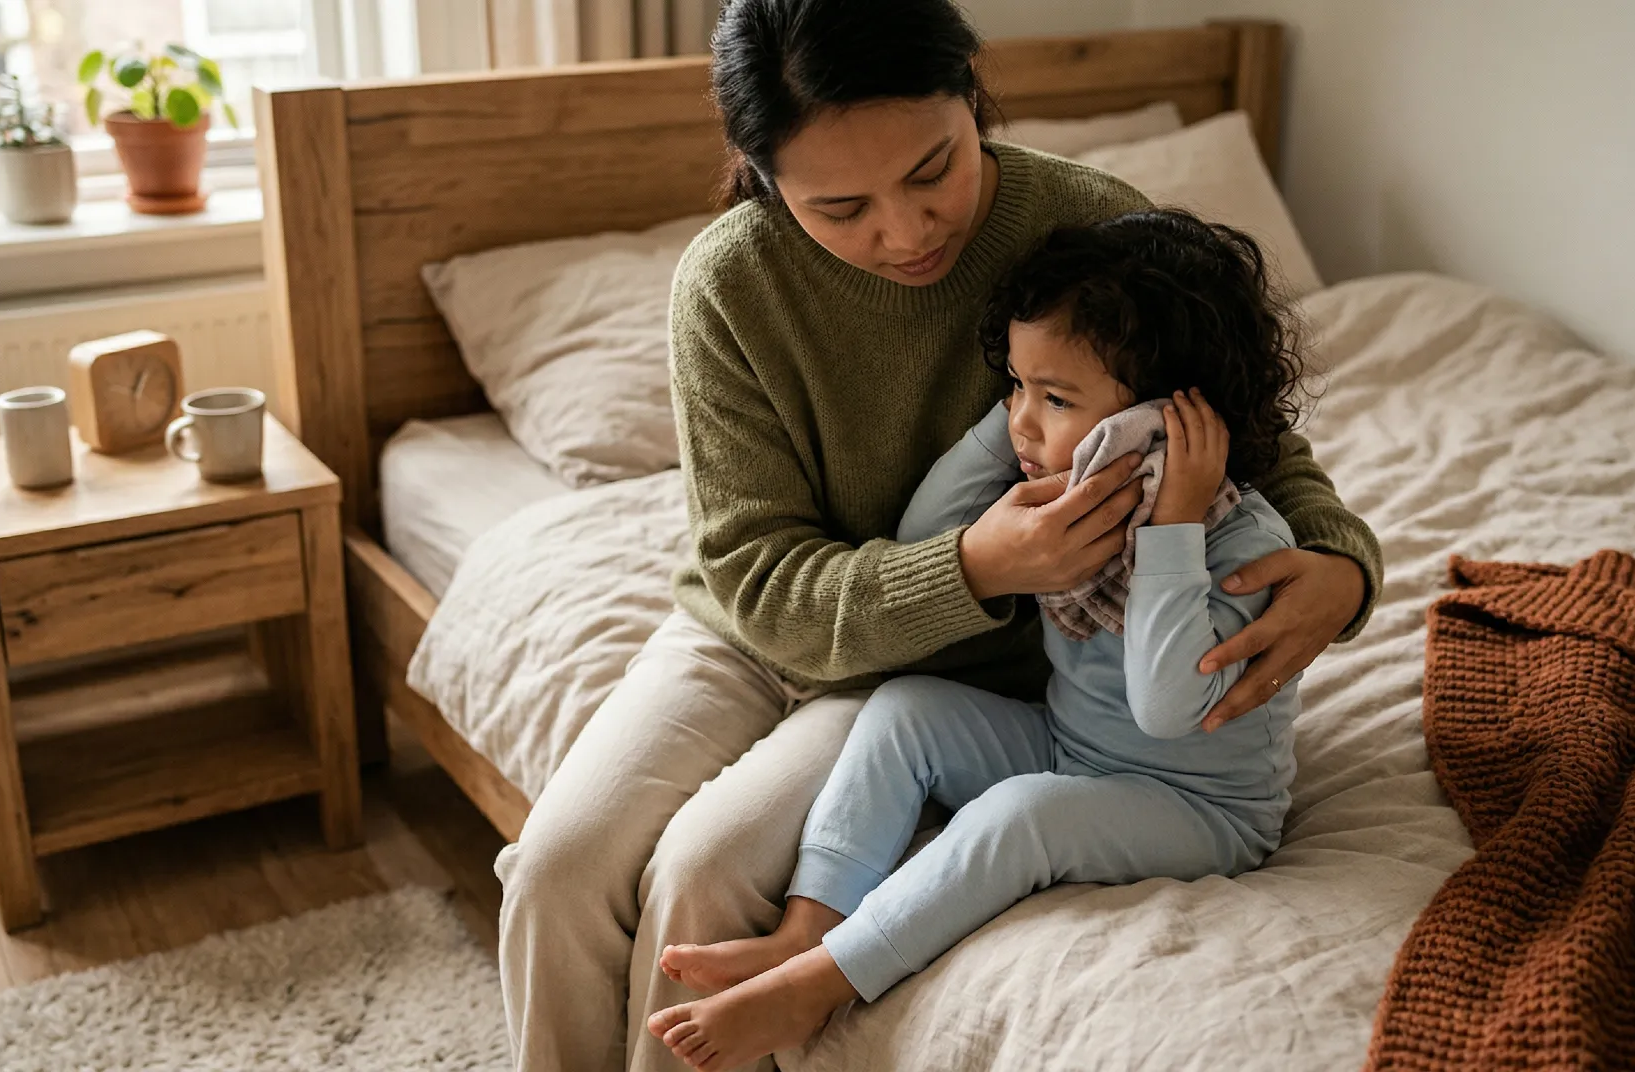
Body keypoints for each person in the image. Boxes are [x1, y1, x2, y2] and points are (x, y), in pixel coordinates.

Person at [493, 2, 1384, 1070]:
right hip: (761, 629)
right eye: (842, 205)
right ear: (764, 176)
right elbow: (757, 577)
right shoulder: (731, 285)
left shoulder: (1084, 221)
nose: (906, 232)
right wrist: (976, 563)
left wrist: (1340, 561)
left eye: (932, 170)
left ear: (973, 93)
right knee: (556, 865)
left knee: (702, 873)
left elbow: (1240, 432)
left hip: (946, 661)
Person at [649, 211, 1308, 1070]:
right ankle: (808, 927)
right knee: (907, 709)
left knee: (1022, 816)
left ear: (1160, 425)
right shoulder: (1074, 501)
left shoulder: (1237, 542)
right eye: (1018, 389)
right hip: (1074, 747)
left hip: (1200, 809)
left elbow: (1167, 702)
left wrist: (1171, 531)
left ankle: (824, 984)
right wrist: (1020, 422)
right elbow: (928, 530)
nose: (1025, 422)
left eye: (1057, 399)